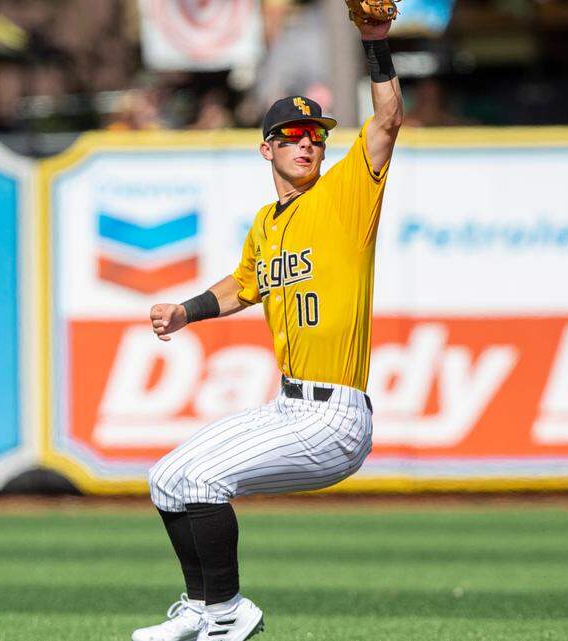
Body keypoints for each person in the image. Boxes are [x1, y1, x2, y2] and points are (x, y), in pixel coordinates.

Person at [131, 16, 403, 641]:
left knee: (202, 479)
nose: (307, 144)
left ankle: (227, 611)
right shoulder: (267, 222)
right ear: (268, 148)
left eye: (316, 135)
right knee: (168, 479)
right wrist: (186, 310)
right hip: (288, 405)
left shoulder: (345, 198)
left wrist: (376, 42)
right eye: (292, 135)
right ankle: (203, 608)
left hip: (334, 416)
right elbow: (243, 283)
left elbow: (386, 120)